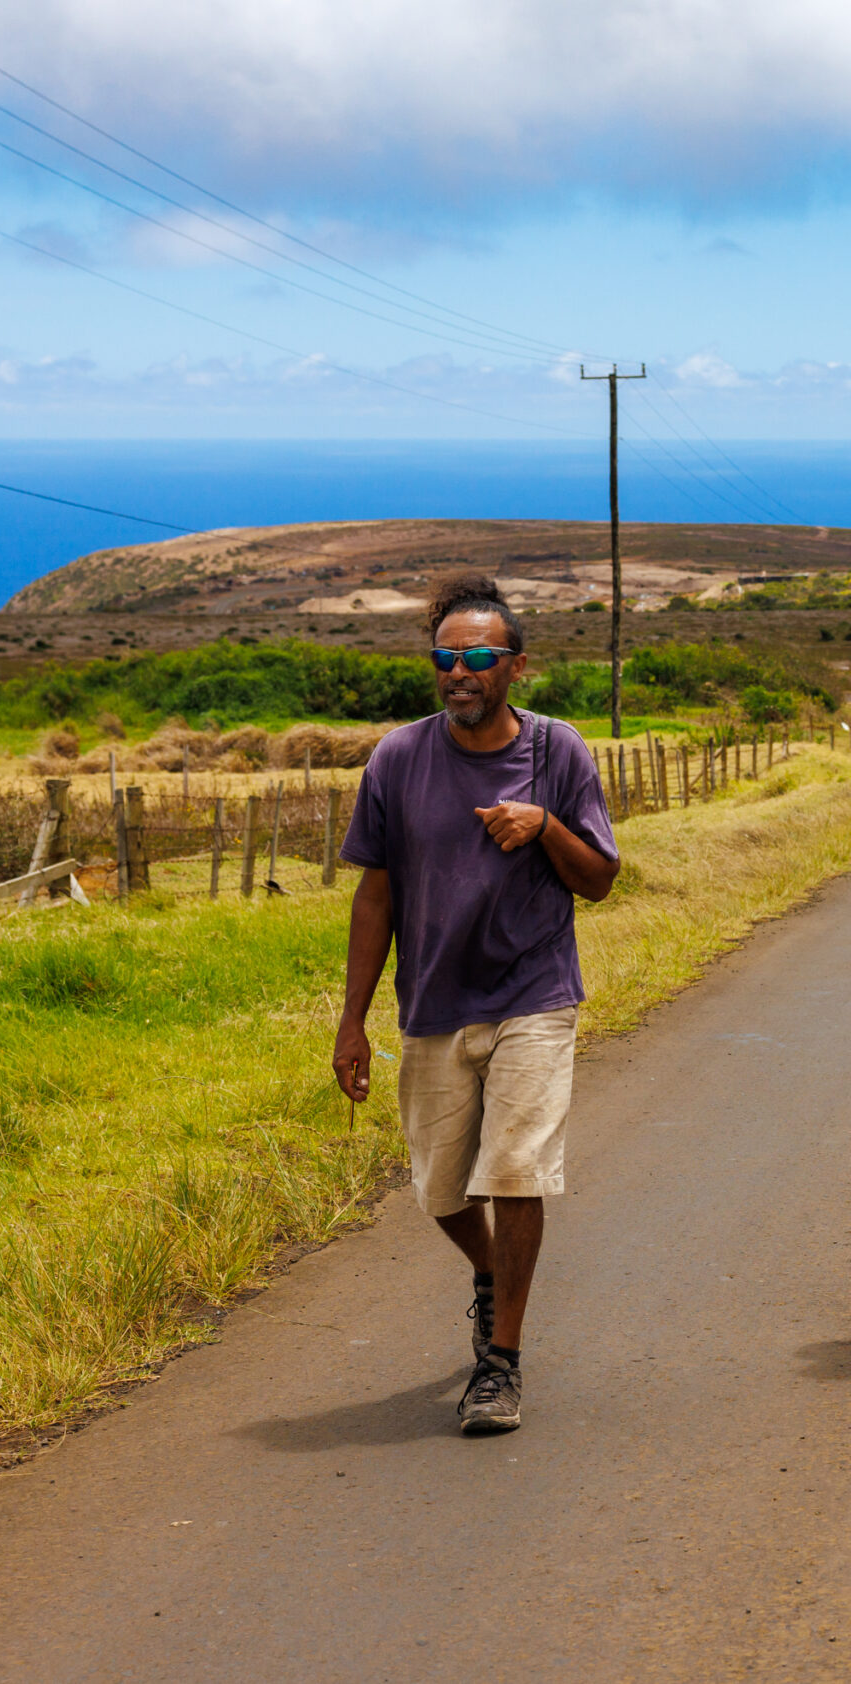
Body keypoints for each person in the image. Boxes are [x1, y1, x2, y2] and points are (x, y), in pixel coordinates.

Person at [334, 573, 619, 1433]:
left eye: (480, 658)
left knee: (515, 1170)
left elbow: (601, 881)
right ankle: (490, 1274)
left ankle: (501, 1360)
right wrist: (352, 1018)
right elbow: (374, 897)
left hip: (533, 992)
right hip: (433, 1002)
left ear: (515, 666)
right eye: (446, 658)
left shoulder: (557, 752)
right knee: (442, 1193)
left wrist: (545, 827)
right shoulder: (397, 760)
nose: (460, 672)